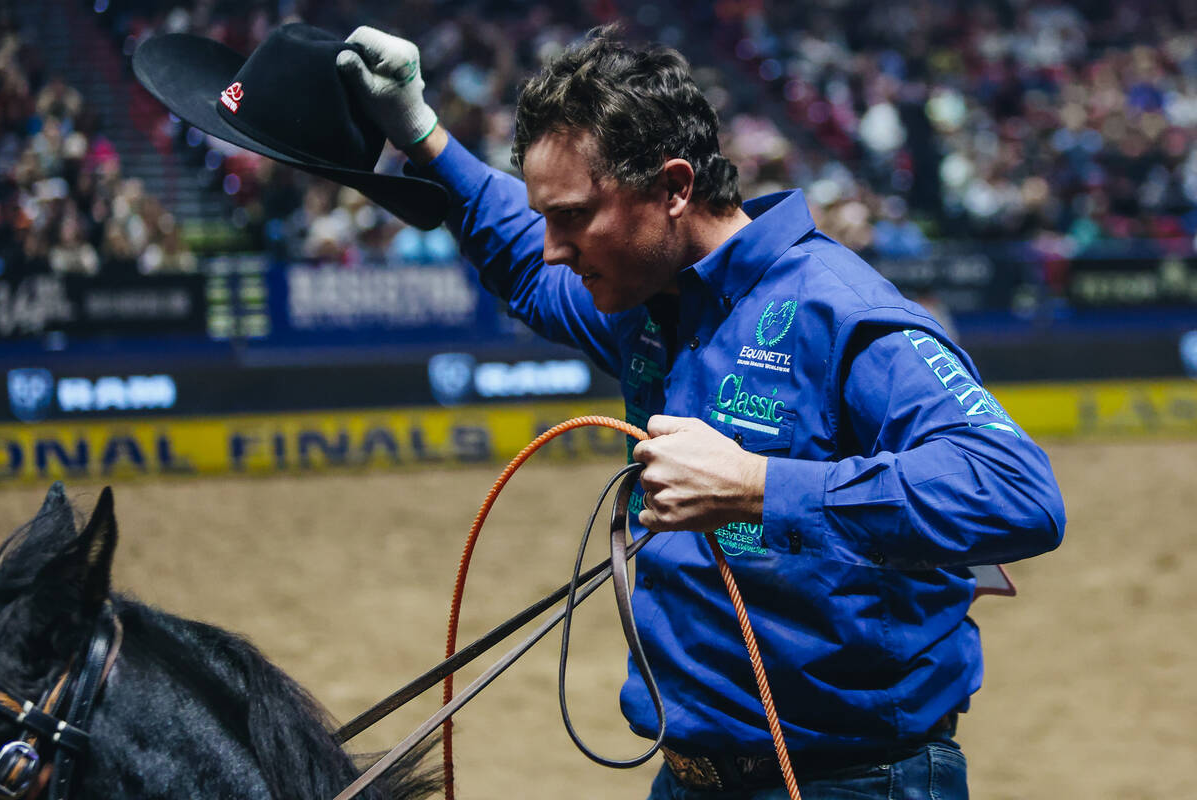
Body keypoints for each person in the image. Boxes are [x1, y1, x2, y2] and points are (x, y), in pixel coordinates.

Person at [337, 25, 1066, 800]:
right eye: (548, 218)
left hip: (855, 780)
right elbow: (521, 256)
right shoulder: (643, 302)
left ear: (675, 188)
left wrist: (757, 486)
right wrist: (422, 133)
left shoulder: (838, 310)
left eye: (575, 217)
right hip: (686, 778)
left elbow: (1017, 490)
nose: (554, 248)